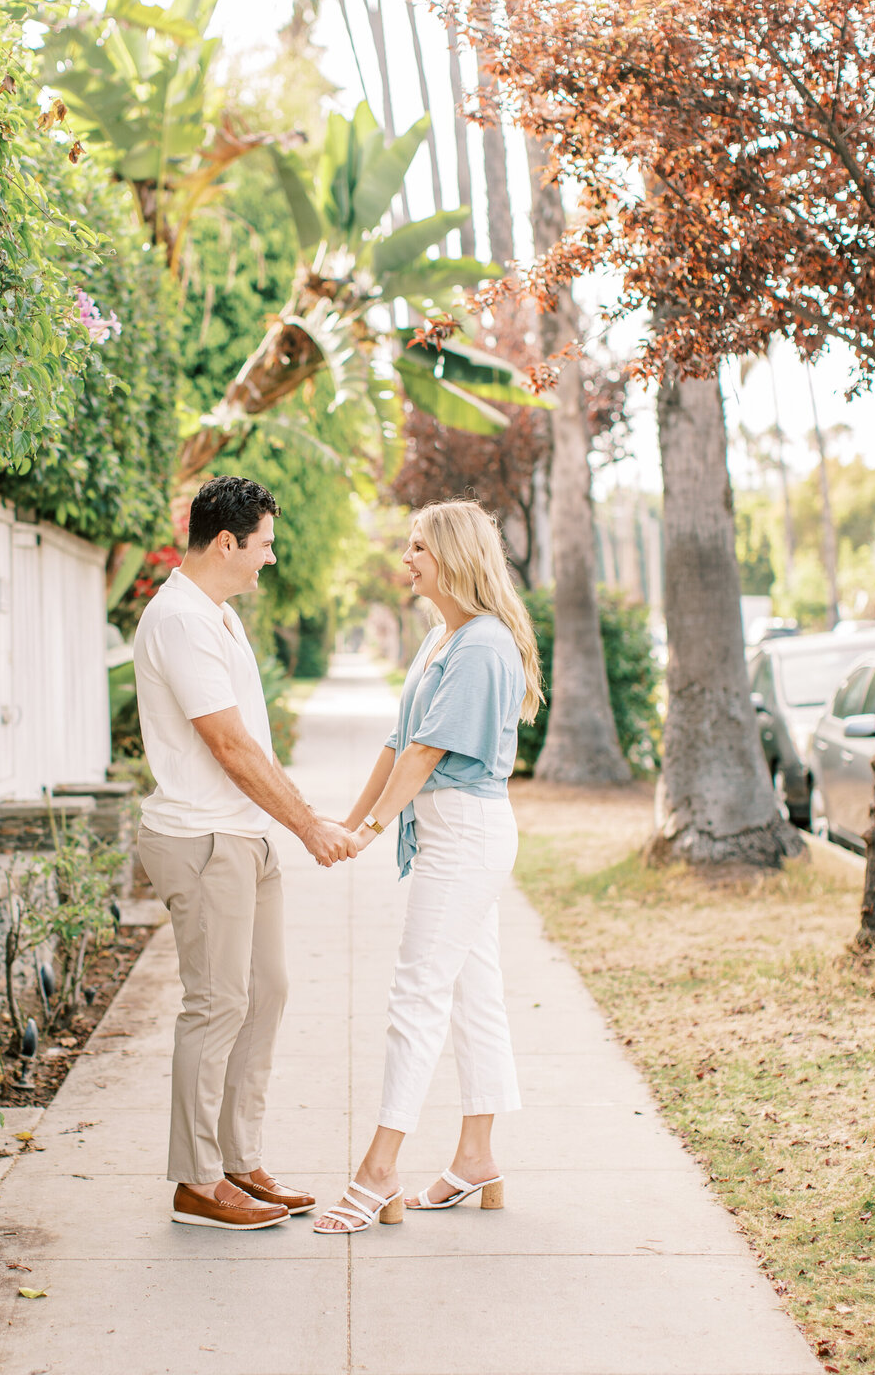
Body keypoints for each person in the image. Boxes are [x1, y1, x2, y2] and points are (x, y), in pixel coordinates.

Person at [133, 476, 360, 1231]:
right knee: (217, 1004)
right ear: (226, 542)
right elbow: (229, 746)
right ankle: (196, 1182)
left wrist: (284, 824)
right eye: (263, 543)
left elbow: (247, 744)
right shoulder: (180, 622)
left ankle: (238, 1161)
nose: (270, 557)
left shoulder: (217, 616)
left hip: (242, 835)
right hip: (203, 837)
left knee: (266, 993)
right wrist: (309, 826)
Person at [313, 500, 543, 1234]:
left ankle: (379, 1170)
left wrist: (372, 829)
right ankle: (476, 1158)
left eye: (419, 546)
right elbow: (395, 741)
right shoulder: (442, 637)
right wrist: (345, 826)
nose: (406, 558)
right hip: (449, 832)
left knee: (416, 994)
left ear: (453, 555)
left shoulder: (481, 645)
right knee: (474, 995)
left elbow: (425, 755)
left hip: (467, 832)